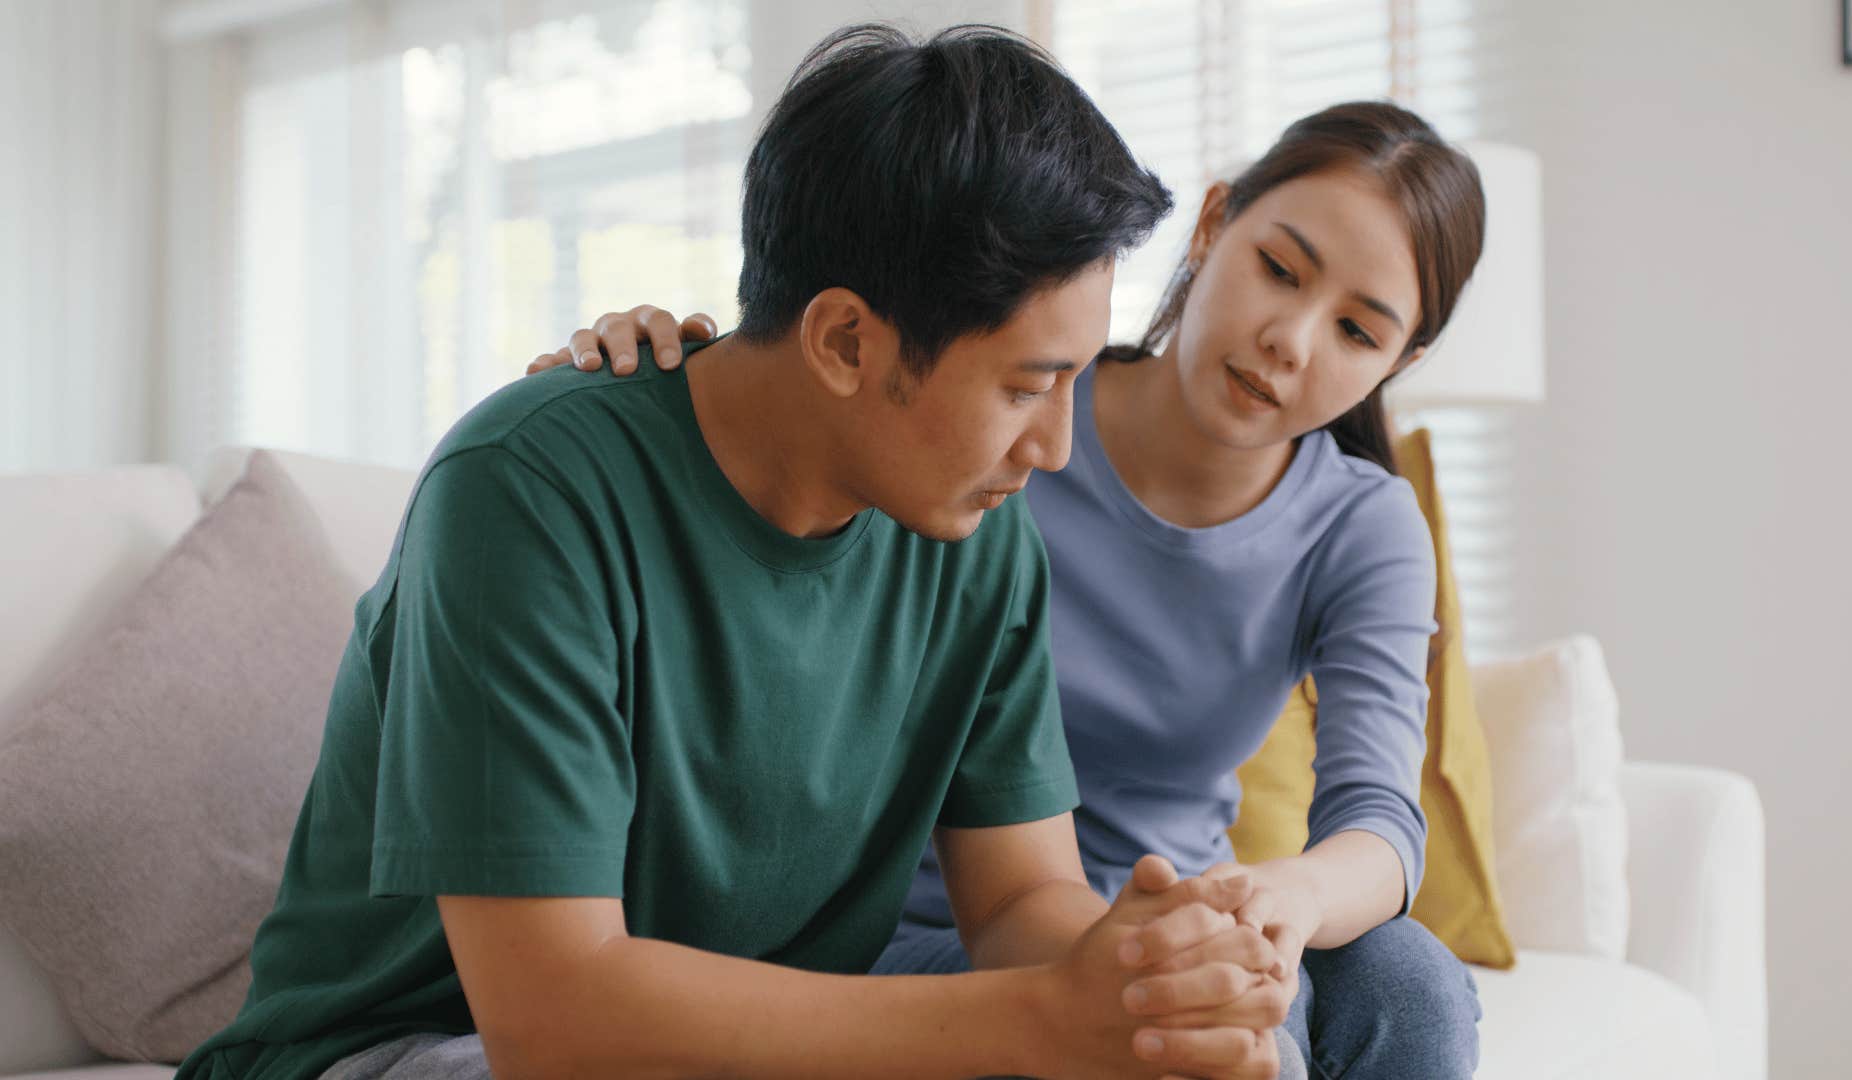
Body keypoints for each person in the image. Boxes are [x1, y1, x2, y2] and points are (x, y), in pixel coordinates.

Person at [175, 24, 1298, 1080]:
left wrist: (1142, 978)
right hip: (400, 1049)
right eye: (1024, 386)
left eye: (1072, 380)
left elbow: (1016, 907)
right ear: (847, 341)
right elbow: (550, 1019)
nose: (1055, 448)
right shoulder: (525, 491)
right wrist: (1039, 1019)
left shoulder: (977, 536)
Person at [530, 98, 1490, 1078]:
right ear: (1212, 225)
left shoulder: (1359, 524)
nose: (1291, 338)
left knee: (1403, 980)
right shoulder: (980, 427)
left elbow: (1379, 820)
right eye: (1278, 270)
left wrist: (1275, 902)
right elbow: (805, 401)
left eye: (1359, 333)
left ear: (1399, 365)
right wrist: (662, 369)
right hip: (929, 939)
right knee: (1224, 1033)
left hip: (1159, 918)